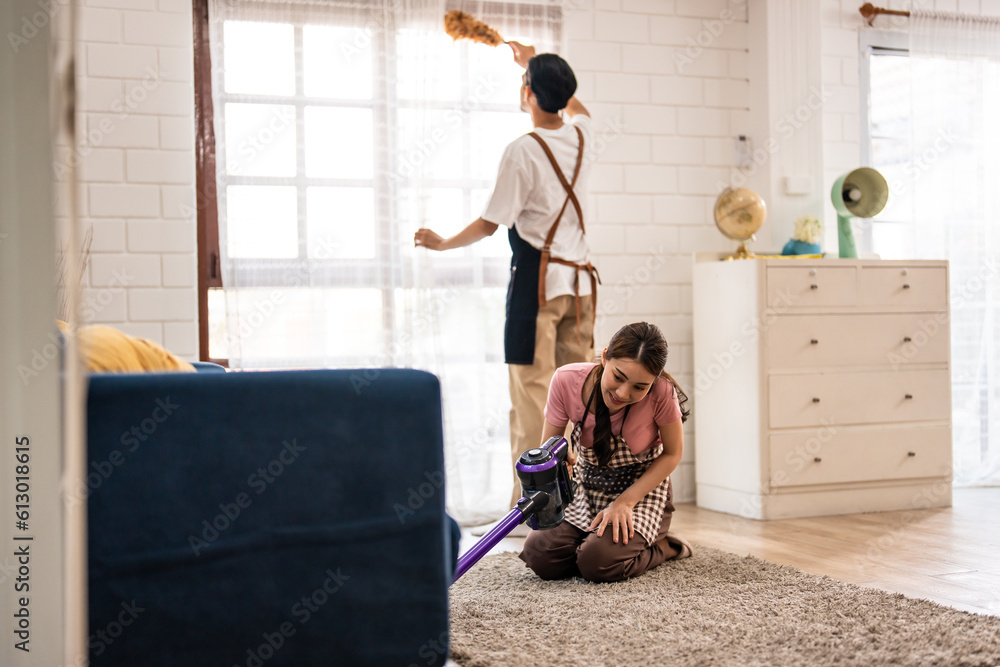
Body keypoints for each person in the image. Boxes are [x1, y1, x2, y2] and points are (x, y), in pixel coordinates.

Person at [414, 41, 598, 518]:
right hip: (580, 289)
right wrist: (535, 66)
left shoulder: (522, 150)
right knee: (578, 395)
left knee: (533, 395)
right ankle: (576, 502)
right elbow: (579, 109)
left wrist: (442, 243)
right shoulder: (581, 139)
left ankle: (533, 506)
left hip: (536, 286)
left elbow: (490, 223)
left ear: (529, 94)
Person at [519, 321, 692, 583]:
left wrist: (625, 502)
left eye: (639, 387)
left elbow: (672, 454)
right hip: (586, 486)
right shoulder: (566, 380)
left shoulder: (661, 394)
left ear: (653, 381)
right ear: (604, 356)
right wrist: (559, 462)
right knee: (540, 556)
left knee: (597, 564)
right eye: (618, 377)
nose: (623, 393)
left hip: (640, 492)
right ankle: (592, 543)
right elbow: (550, 446)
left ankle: (666, 546)